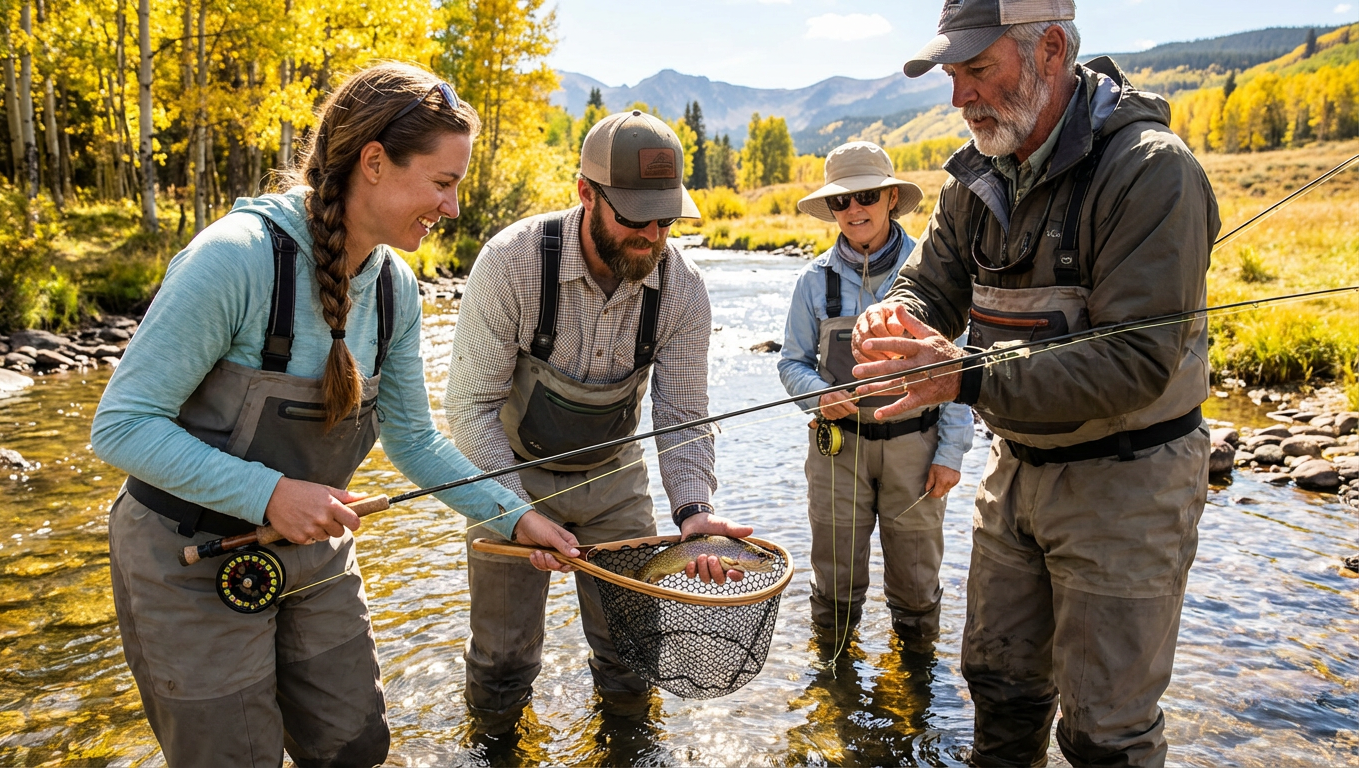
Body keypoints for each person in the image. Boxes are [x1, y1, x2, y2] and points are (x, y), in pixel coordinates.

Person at [91, 63, 576, 767]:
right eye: (443, 183)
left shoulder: (395, 287)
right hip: (185, 558)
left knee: (355, 747)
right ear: (374, 163)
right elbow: (122, 425)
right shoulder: (234, 260)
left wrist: (515, 516)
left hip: (311, 553)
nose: (452, 207)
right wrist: (271, 495)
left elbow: (413, 441)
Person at [848, 2, 1220, 766]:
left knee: (1104, 736)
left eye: (978, 70)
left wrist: (964, 376)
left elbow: (1136, 362)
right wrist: (894, 315)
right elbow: (930, 284)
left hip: (1131, 482)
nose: (961, 97)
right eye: (954, 75)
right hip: (1016, 469)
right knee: (1001, 692)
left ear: (1051, 49)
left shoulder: (1152, 171)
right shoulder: (976, 175)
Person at [445, 110, 754, 717]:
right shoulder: (511, 263)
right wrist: (515, 513)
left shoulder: (683, 289)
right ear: (586, 193)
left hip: (614, 479)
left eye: (666, 219)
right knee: (503, 660)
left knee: (633, 655)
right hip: (507, 469)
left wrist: (694, 510)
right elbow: (471, 409)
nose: (653, 236)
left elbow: (683, 413)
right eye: (635, 217)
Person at [778, 141, 973, 645]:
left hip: (918, 447)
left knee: (916, 584)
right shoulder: (813, 281)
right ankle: (833, 676)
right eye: (840, 200)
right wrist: (818, 396)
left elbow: (957, 369)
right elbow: (791, 363)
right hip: (837, 450)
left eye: (865, 196)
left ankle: (914, 673)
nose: (853, 209)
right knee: (835, 585)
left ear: (890, 199)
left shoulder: (934, 274)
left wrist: (951, 454)